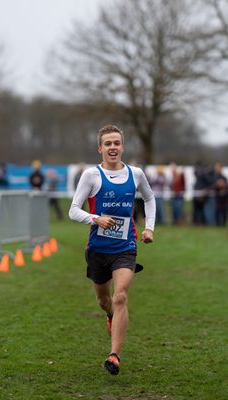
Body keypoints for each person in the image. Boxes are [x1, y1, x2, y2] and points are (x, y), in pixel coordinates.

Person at [69, 124, 155, 376]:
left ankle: (114, 355)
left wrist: (149, 228)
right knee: (104, 300)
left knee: (120, 297)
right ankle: (110, 315)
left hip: (125, 246)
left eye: (116, 143)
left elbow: (149, 199)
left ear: (122, 146)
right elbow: (73, 210)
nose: (113, 147)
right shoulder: (91, 176)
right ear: (100, 148)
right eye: (108, 143)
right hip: (97, 248)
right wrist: (95, 218)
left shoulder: (136, 174)